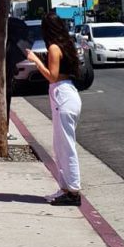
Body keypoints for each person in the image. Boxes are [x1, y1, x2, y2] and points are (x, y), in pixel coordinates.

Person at [26, 11, 83, 206]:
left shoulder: (53, 48)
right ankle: (66, 188)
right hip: (68, 94)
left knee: (65, 146)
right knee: (60, 145)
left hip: (63, 96)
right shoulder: (66, 45)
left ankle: (73, 191)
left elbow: (52, 75)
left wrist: (36, 60)